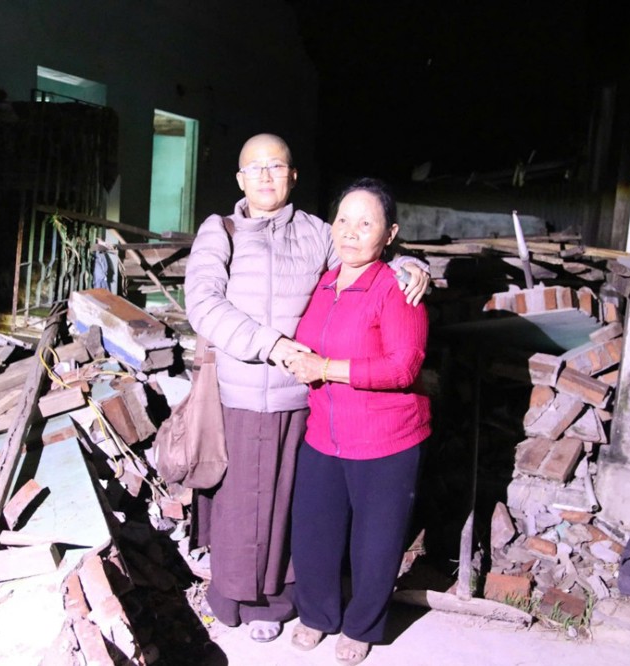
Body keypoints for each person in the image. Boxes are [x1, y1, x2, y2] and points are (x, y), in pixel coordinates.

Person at [184, 135, 429, 642]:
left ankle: (282, 603)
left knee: (292, 512)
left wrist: (412, 267)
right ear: (239, 179)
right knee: (241, 507)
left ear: (293, 176)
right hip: (243, 391)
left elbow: (367, 255)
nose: (265, 176)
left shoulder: (318, 232)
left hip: (304, 399)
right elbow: (204, 303)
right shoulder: (221, 230)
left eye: (276, 166)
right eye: (255, 168)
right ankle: (236, 599)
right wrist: (271, 345)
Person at [284, 177, 431, 665]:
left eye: (366, 223)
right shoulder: (324, 282)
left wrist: (324, 368)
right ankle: (317, 615)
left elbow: (403, 368)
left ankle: (362, 625)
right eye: (343, 220)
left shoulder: (397, 289)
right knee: (313, 532)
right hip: (323, 433)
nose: (350, 231)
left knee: (376, 543)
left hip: (386, 438)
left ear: (390, 234)